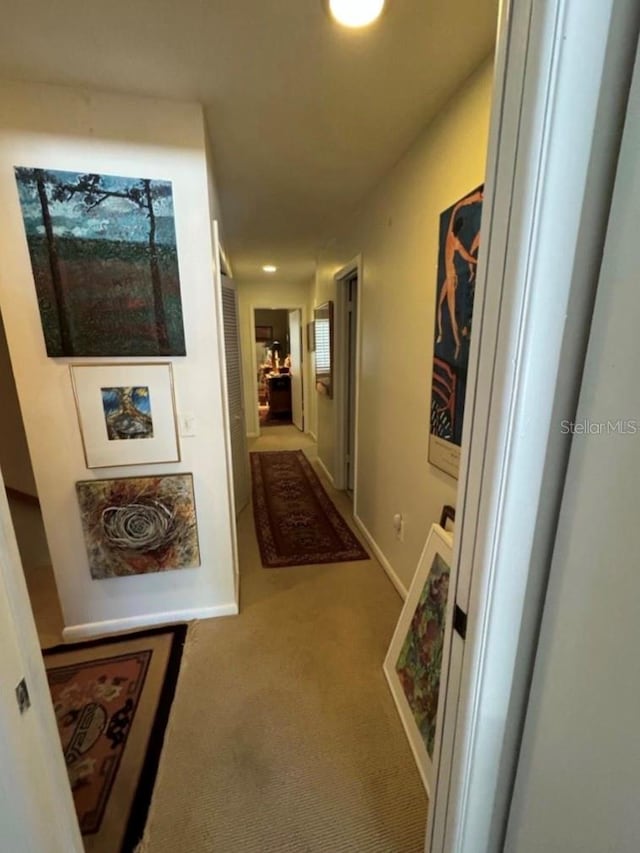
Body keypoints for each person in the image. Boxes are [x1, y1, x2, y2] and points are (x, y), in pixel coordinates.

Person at [436, 188, 483, 360]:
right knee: (443, 309)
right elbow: (468, 256)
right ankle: (444, 335)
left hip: (451, 279)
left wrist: (467, 201)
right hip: (449, 279)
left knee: (449, 312)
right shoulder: (454, 241)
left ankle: (456, 345)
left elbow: (455, 210)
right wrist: (471, 200)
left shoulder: (450, 238)